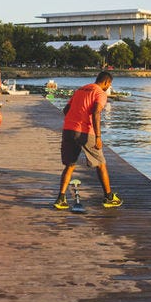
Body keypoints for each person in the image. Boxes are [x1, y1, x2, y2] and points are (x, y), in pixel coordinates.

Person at [55, 71, 122, 209]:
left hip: (68, 130)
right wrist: (98, 136)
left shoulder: (80, 89)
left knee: (70, 165)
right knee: (101, 163)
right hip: (85, 132)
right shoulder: (100, 93)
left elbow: (66, 110)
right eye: (109, 84)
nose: (108, 87)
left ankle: (61, 199)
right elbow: (96, 113)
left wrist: (75, 119)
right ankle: (109, 197)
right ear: (106, 82)